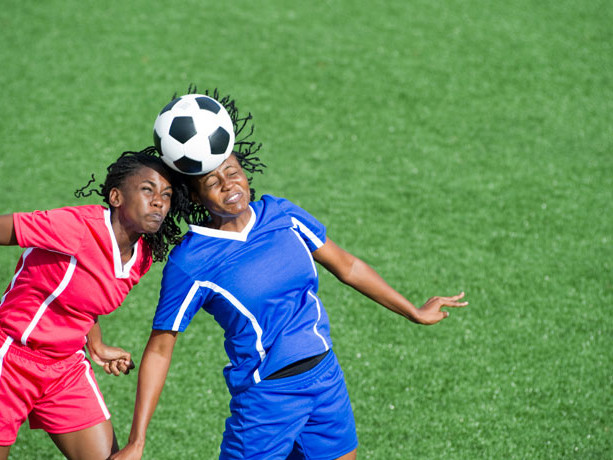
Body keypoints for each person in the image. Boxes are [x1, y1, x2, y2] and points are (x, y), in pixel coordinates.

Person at [113, 93, 468, 460]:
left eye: (232, 173)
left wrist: (413, 310)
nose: (228, 185)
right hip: (266, 401)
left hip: (325, 380)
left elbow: (348, 267)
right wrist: (137, 441)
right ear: (196, 198)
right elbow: (159, 349)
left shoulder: (282, 215)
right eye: (212, 182)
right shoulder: (192, 261)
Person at [0, 147, 182, 460]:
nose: (158, 202)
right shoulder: (77, 228)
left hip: (64, 368)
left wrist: (95, 345)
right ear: (116, 197)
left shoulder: (142, 257)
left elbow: (84, 301)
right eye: (147, 190)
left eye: (166, 195)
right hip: (11, 360)